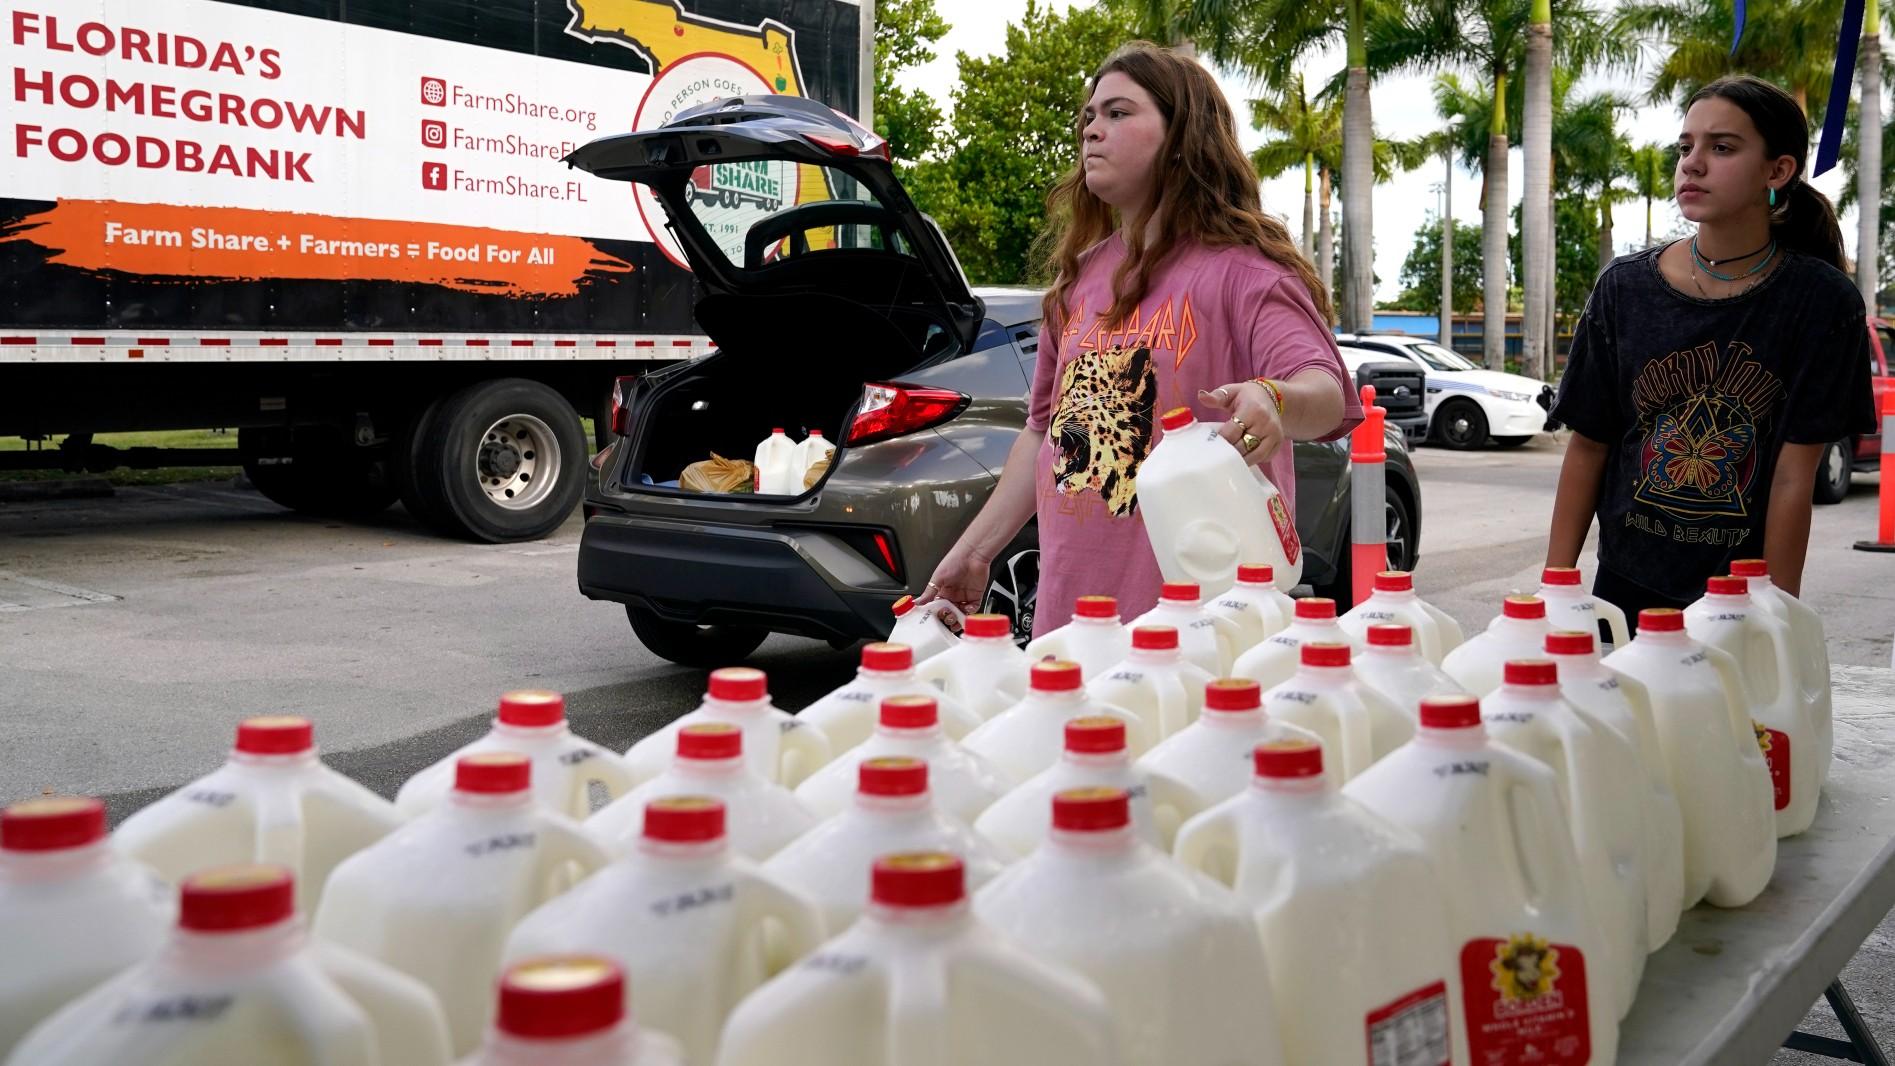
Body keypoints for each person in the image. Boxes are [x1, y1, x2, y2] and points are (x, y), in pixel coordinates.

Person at [914, 42, 1360, 636]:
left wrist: (1274, 399)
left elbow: (1326, 392)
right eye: (1089, 117)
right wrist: (974, 552)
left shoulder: (1246, 273)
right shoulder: (1076, 282)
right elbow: (1042, 435)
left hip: (1202, 639)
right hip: (1069, 628)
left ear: (1182, 137)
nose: (1092, 129)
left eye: (1118, 113)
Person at [1546, 75, 1877, 625]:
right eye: (1686, 146)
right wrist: (1555, 590)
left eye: (1721, 147)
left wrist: (1778, 619)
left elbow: (1795, 477)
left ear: (1778, 170)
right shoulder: (1624, 288)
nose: (1692, 163)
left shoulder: (1821, 302)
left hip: (1739, 602)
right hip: (1624, 588)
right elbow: (1589, 446)